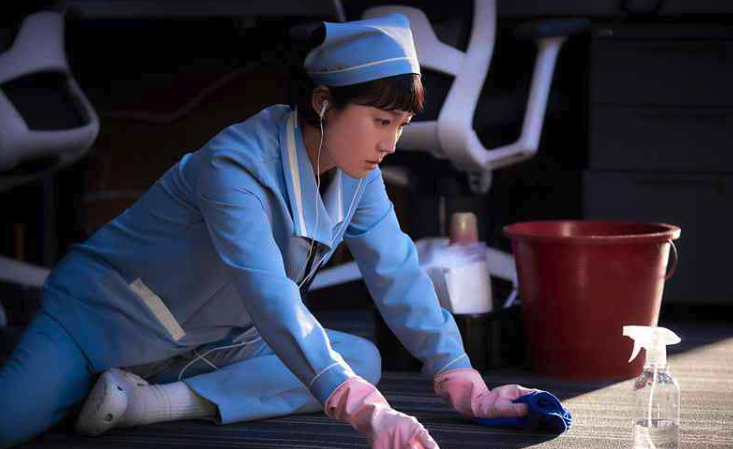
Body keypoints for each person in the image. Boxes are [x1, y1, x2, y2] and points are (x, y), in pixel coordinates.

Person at [0, 14, 536, 449]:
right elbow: (270, 295)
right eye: (380, 121)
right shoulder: (234, 165)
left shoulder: (359, 175)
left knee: (360, 362)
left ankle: (144, 404)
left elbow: (396, 271)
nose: (391, 144)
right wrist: (367, 412)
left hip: (211, 347)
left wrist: (460, 376)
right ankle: (100, 383)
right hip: (99, 323)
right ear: (324, 103)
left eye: (400, 126)